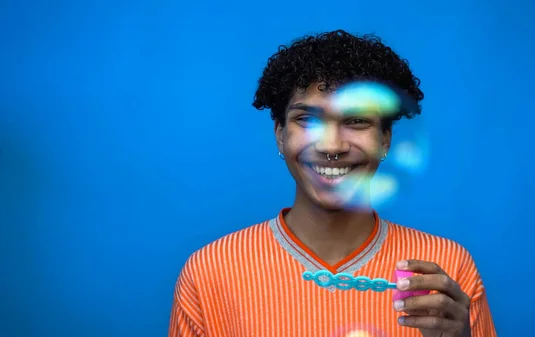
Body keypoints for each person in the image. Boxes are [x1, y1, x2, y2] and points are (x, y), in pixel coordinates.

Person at [168, 30, 496, 337]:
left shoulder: (448, 269)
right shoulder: (209, 271)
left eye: (355, 120)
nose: (331, 146)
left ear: (385, 139)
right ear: (280, 135)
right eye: (308, 119)